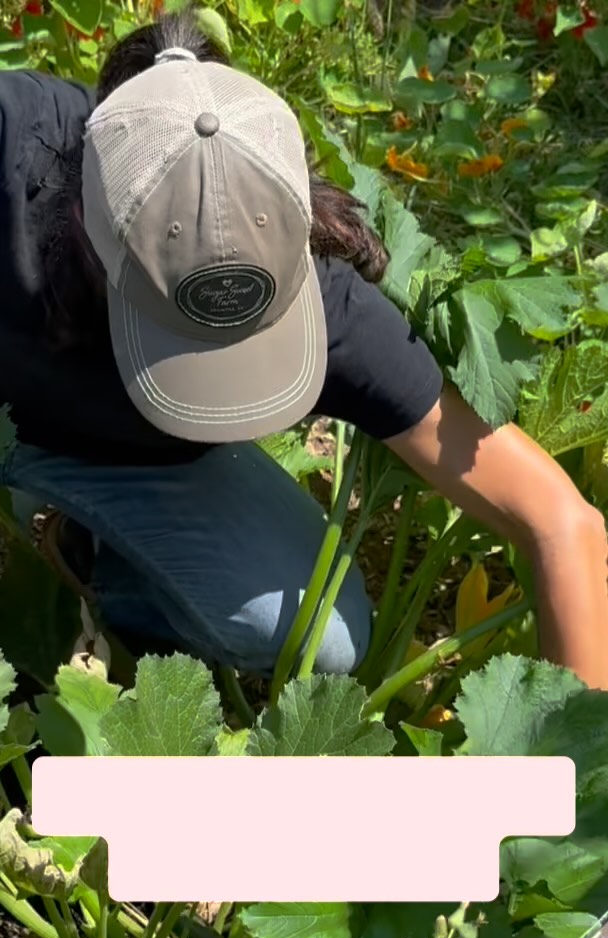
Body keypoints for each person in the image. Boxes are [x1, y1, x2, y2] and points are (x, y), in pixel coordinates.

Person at [0, 8, 607, 688]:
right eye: (180, 334)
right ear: (89, 223)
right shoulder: (14, 141)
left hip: (103, 464)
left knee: (322, 637)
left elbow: (561, 522)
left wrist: (580, 776)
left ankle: (92, 555)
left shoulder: (319, 296)